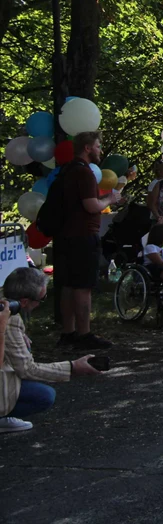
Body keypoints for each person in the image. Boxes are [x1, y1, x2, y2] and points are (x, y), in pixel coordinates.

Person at [1, 268, 101, 433]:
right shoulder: (10, 320)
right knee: (44, 396)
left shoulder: (4, 309)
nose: (41, 303)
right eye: (42, 298)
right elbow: (27, 369)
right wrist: (73, 367)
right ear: (25, 302)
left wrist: (20, 335)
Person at [54, 131, 122, 351]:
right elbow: (91, 206)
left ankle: (68, 332)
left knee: (68, 285)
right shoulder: (84, 174)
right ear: (87, 148)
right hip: (83, 236)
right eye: (98, 145)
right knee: (83, 286)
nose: (100, 149)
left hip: (66, 235)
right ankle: (84, 334)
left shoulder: (67, 170)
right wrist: (110, 198)